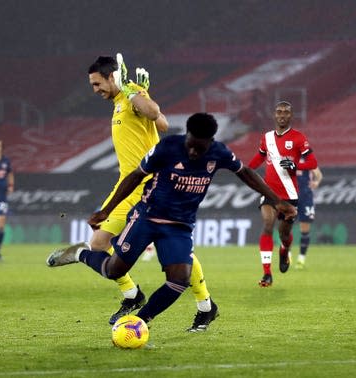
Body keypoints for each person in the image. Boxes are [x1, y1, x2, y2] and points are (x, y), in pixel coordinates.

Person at [46, 113, 296, 328]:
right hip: (147, 217)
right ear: (186, 134)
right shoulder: (167, 148)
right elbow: (135, 176)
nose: (193, 151)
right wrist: (107, 210)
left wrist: (276, 200)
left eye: (199, 147)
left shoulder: (219, 153)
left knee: (179, 279)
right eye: (191, 145)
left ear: (210, 141)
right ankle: (81, 254)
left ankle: (138, 322)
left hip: (179, 226)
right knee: (114, 270)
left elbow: (247, 173)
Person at [87, 54, 218, 332]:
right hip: (128, 186)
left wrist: (137, 92)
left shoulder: (132, 94)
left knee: (177, 253)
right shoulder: (118, 103)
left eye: (98, 83)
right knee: (98, 243)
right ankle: (132, 295)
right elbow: (159, 124)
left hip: (154, 188)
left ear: (112, 77)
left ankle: (206, 306)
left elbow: (157, 117)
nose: (95, 90)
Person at [248, 101, 318, 287]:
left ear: (290, 116)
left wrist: (296, 166)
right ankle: (267, 274)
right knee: (268, 224)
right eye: (279, 111)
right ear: (274, 115)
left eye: (286, 112)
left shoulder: (298, 138)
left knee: (284, 234)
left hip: (289, 194)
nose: (282, 115)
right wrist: (245, 169)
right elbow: (260, 156)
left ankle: (284, 250)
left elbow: (312, 162)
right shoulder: (267, 137)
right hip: (269, 192)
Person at [296, 166, 323, 268]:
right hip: (290, 196)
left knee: (305, 228)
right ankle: (286, 254)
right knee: (286, 225)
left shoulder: (307, 157)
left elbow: (319, 174)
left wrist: (316, 182)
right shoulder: (288, 155)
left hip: (306, 197)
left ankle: (301, 258)